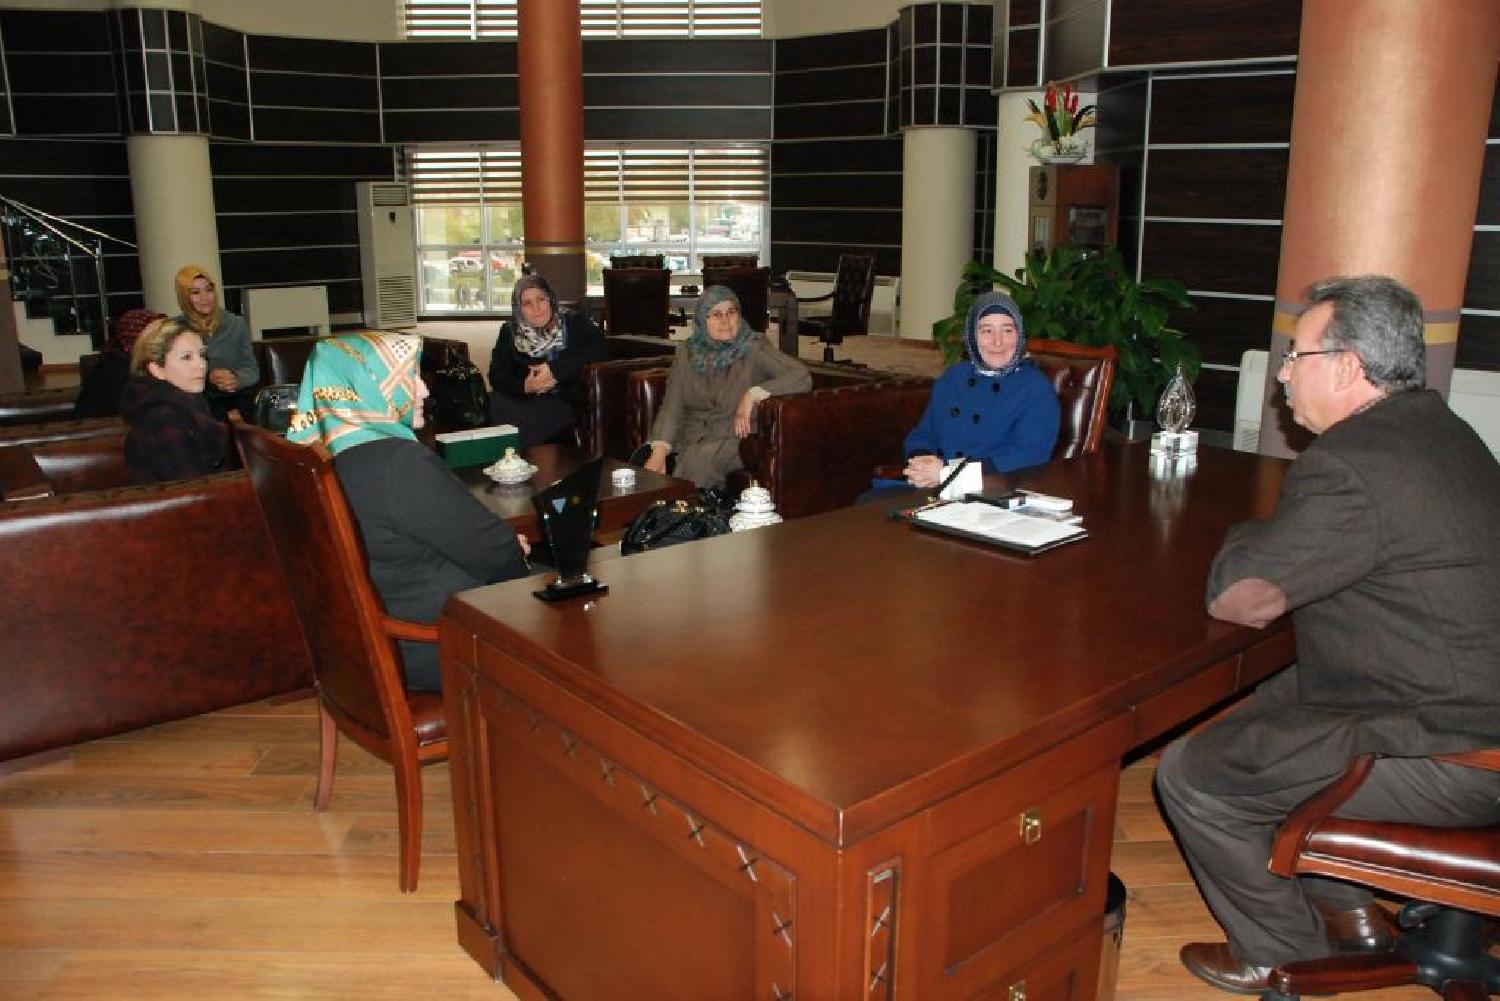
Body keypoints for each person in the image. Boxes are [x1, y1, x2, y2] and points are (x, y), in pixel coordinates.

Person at [1155, 274, 1500, 995]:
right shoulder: (1444, 429)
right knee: (1269, 706)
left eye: (1296, 356)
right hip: (1459, 693)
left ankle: (1286, 952)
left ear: (1347, 367)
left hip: (1457, 751)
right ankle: (1350, 915)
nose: (1283, 374)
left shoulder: (1349, 463)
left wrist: (1250, 530)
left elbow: (1241, 597)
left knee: (1194, 775)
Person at [287, 332, 531, 692]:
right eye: (409, 377)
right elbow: (496, 554)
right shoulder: (398, 463)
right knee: (575, 600)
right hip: (438, 644)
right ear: (366, 387)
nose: (424, 390)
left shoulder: (311, 460)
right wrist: (513, 550)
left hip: (361, 649)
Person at [642, 285, 811, 489]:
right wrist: (659, 450)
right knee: (647, 463)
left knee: (698, 462)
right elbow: (672, 407)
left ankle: (681, 507)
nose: (726, 320)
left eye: (731, 312)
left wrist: (753, 393)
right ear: (702, 320)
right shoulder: (686, 352)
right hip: (690, 439)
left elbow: (801, 376)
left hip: (736, 440)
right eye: (716, 314)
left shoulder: (754, 346)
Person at [891, 291, 1059, 490]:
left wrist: (948, 473)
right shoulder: (953, 377)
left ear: (1019, 335)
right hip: (931, 484)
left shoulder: (1035, 388)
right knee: (870, 504)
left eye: (1007, 330)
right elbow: (923, 434)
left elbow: (1028, 455)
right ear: (972, 336)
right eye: (987, 331)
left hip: (992, 490)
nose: (998, 341)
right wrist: (921, 461)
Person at [487, 273, 607, 447]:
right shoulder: (509, 331)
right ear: (518, 308)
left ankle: (524, 461)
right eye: (527, 303)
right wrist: (525, 387)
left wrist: (555, 370)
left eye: (541, 299)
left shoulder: (573, 322)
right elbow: (497, 375)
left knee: (525, 419)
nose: (536, 308)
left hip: (563, 399)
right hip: (524, 397)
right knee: (494, 403)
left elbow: (599, 349)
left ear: (550, 299)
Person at [121, 317, 228, 483]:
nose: (201, 365)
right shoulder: (163, 419)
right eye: (187, 357)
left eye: (202, 355)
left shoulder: (184, 404)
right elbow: (191, 489)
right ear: (157, 369)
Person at [173, 264, 260, 420]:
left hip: (236, 396)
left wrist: (235, 379)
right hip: (198, 399)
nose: (205, 297)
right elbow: (174, 374)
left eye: (209, 290)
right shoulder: (176, 329)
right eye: (195, 292)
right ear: (184, 297)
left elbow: (252, 370)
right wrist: (209, 376)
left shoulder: (235, 323)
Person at [74, 307, 166, 417]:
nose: (161, 341)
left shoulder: (122, 362)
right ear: (137, 338)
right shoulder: (119, 372)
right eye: (154, 336)